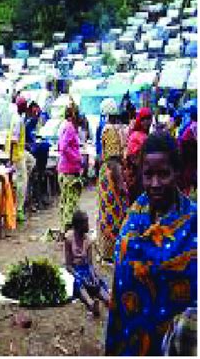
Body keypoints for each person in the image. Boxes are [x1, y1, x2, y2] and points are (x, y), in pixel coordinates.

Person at [105, 133, 197, 356]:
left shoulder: (194, 223)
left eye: (163, 174)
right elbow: (121, 284)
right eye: (148, 175)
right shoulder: (132, 221)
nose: (155, 183)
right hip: (132, 336)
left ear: (177, 172)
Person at [97, 98, 127, 262]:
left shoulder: (108, 129)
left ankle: (108, 251)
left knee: (109, 212)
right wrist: (120, 181)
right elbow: (113, 158)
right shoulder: (112, 130)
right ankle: (110, 252)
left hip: (108, 173)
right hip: (111, 173)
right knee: (113, 212)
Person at [65, 210, 110, 317]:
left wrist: (93, 276)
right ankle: (91, 304)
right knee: (79, 283)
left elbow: (90, 264)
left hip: (85, 268)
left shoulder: (88, 240)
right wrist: (79, 276)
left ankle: (107, 299)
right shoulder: (69, 239)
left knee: (96, 283)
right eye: (85, 222)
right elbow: (68, 265)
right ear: (78, 225)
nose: (88, 225)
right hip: (74, 270)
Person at [57, 105, 83, 233]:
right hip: (69, 170)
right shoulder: (70, 128)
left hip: (64, 169)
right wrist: (77, 159)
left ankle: (64, 229)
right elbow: (63, 147)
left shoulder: (64, 126)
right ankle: (68, 230)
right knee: (71, 202)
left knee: (65, 200)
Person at [5, 96, 28, 222]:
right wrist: (10, 159)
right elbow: (14, 140)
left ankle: (17, 205)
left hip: (17, 153)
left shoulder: (16, 117)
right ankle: (18, 208)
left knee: (21, 177)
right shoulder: (18, 120)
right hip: (17, 155)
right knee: (22, 181)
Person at [124, 107, 152, 205]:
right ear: (140, 121)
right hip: (136, 179)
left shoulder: (147, 136)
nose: (147, 122)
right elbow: (132, 158)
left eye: (149, 119)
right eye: (144, 119)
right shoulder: (135, 136)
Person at [178, 105, 197, 199]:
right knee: (189, 172)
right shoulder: (195, 125)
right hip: (189, 151)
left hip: (185, 150)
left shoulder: (188, 124)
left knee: (186, 172)